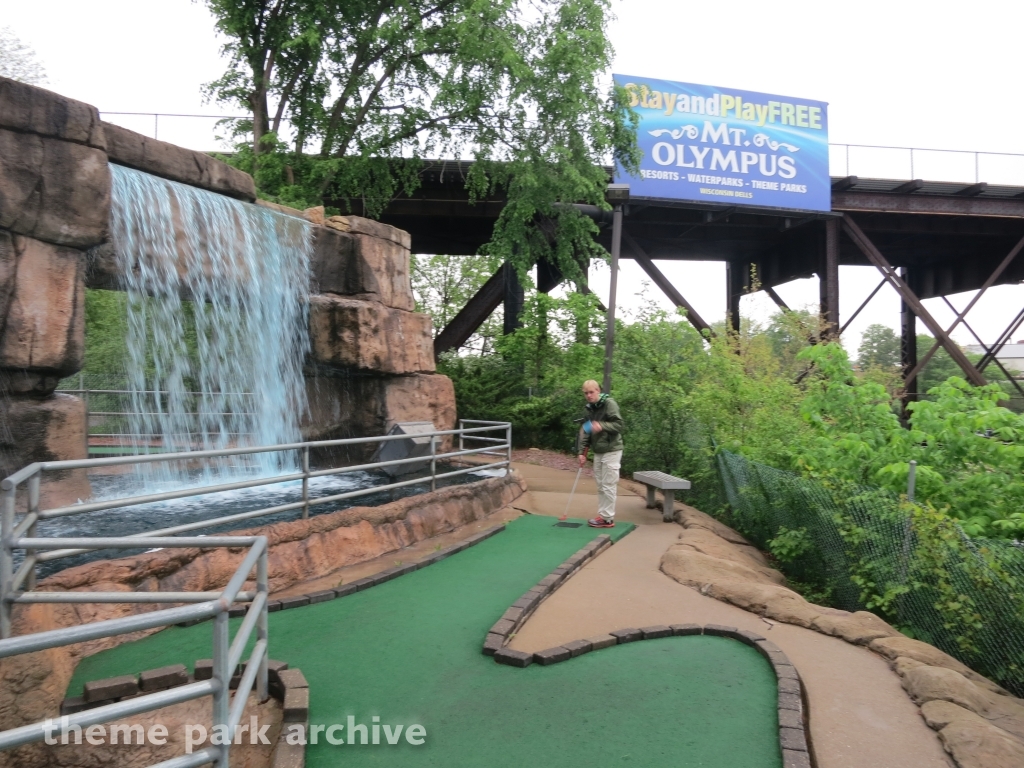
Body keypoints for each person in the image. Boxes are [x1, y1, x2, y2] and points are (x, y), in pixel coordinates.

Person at [577, 379, 624, 528]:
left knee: (609, 484)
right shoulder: (590, 409)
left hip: (612, 449)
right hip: (598, 450)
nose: (589, 395)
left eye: (591, 392)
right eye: (586, 393)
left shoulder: (609, 404)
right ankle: (603, 515)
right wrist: (582, 452)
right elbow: (587, 431)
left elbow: (619, 425)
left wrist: (601, 425)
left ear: (598, 391)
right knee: (600, 485)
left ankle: (608, 518)